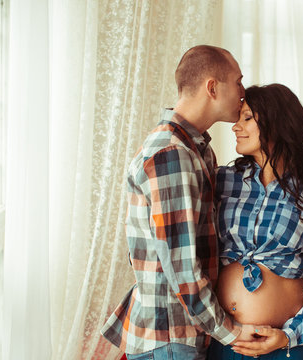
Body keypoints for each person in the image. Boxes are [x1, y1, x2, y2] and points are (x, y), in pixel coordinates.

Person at [100, 45, 260, 360]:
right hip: (173, 338)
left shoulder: (196, 149)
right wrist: (230, 332)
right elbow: (181, 265)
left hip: (183, 335)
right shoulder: (172, 154)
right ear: (212, 87)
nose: (244, 93)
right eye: (238, 82)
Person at [209, 84, 303, 359]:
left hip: (285, 347)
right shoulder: (222, 181)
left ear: (276, 122)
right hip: (225, 340)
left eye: (247, 117)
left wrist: (290, 335)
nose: (235, 127)